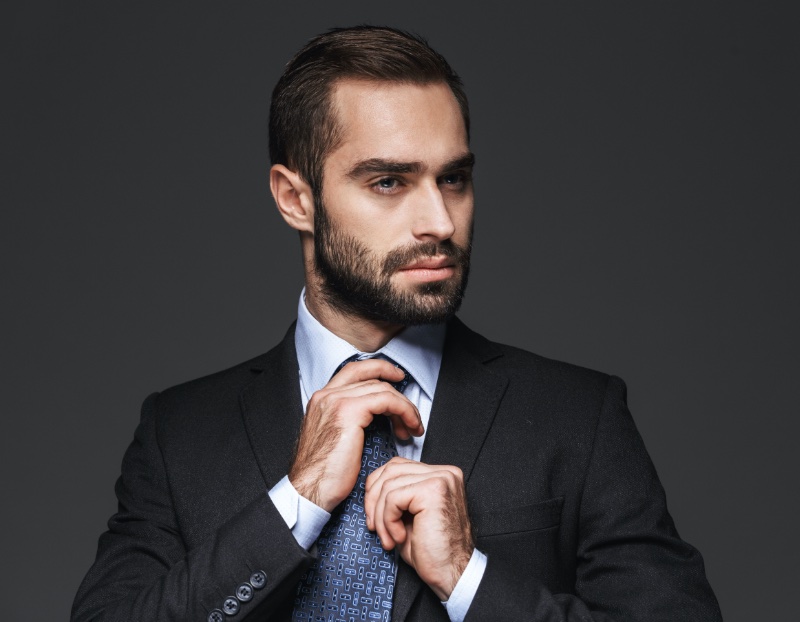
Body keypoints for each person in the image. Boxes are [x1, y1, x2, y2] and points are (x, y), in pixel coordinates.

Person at [72, 26, 722, 622]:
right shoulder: (179, 433)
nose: (440, 221)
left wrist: (468, 578)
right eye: (388, 181)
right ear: (296, 198)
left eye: (455, 178)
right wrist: (293, 505)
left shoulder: (578, 417)